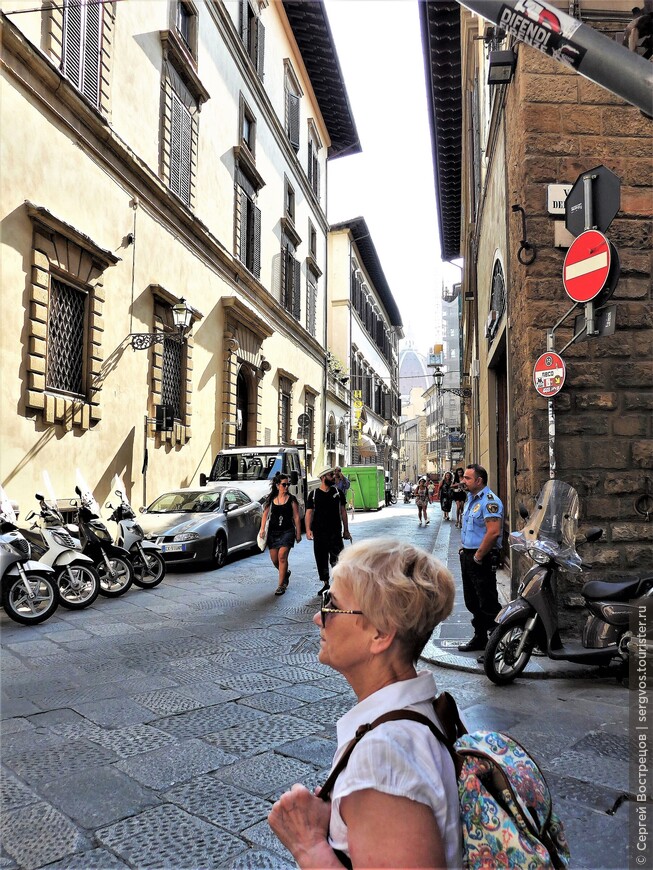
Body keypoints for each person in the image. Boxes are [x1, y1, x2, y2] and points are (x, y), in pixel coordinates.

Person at [268, 538, 461, 869]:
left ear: (381, 633)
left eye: (332, 604)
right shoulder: (408, 722)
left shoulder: (383, 756)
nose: (318, 617)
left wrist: (308, 845)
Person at [457, 464, 503, 657]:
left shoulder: (489, 501)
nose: (463, 481)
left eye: (467, 478)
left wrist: (478, 556)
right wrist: (465, 549)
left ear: (479, 480)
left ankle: (496, 645)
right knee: (472, 600)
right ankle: (480, 637)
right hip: (469, 555)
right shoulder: (470, 499)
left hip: (481, 557)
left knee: (488, 602)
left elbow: (493, 532)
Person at [306, 467, 351, 595]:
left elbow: (343, 512)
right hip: (319, 533)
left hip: (335, 532)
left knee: (337, 559)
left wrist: (346, 530)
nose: (334, 476)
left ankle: (338, 584)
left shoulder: (338, 492)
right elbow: (309, 512)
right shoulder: (313, 494)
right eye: (331, 475)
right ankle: (326, 584)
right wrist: (308, 529)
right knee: (321, 558)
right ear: (323, 478)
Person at [260, 473, 301, 596]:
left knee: (282, 556)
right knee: (274, 559)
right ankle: (285, 573)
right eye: (284, 484)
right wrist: (262, 529)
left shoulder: (292, 499)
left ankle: (281, 585)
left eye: (288, 484)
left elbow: (297, 517)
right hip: (273, 532)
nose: (287, 486)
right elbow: (265, 515)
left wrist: (298, 533)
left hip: (287, 531)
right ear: (278, 485)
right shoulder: (271, 499)